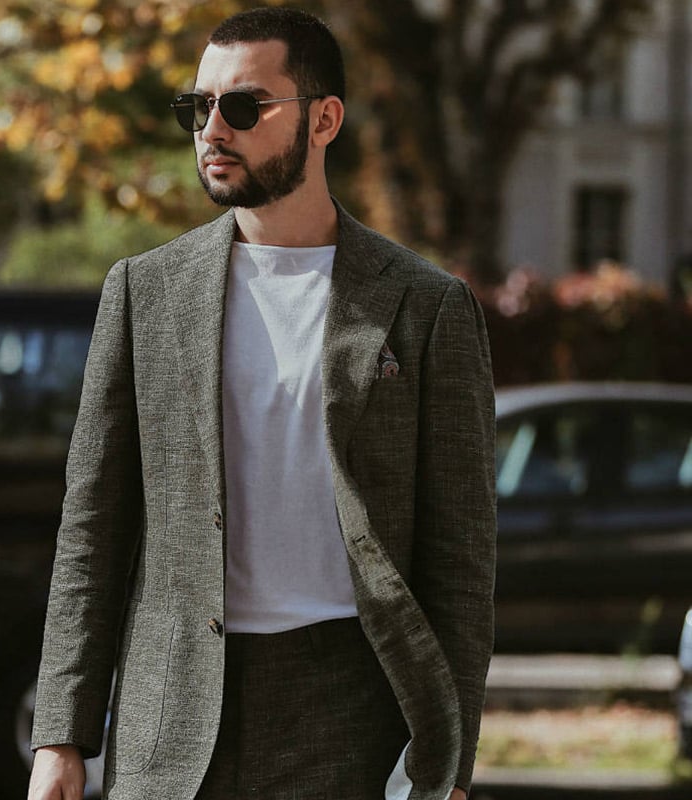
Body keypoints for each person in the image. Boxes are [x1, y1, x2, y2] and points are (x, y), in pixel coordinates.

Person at [28, 8, 495, 800]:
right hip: (171, 708)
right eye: (199, 107)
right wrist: (60, 736)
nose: (214, 128)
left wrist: (450, 762)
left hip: (349, 706)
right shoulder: (145, 292)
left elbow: (460, 553)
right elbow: (93, 527)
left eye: (244, 106)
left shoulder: (426, 306)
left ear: (324, 119)